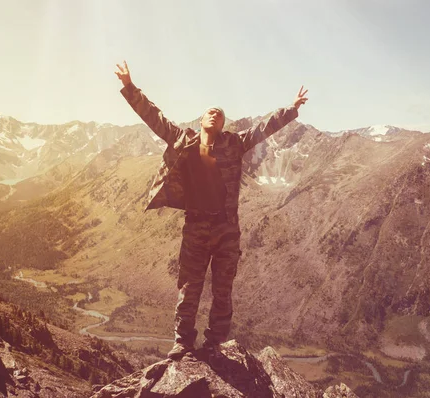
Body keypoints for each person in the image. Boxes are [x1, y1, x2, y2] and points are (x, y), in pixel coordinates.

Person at [115, 60, 308, 359]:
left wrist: (291, 109)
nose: (215, 113)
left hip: (227, 229)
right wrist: (129, 87)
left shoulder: (234, 143)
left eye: (220, 113)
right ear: (202, 119)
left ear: (223, 124)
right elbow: (154, 117)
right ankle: (182, 341)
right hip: (196, 226)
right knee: (189, 286)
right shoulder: (183, 140)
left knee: (222, 288)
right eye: (210, 111)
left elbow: (263, 129)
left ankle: (215, 342)